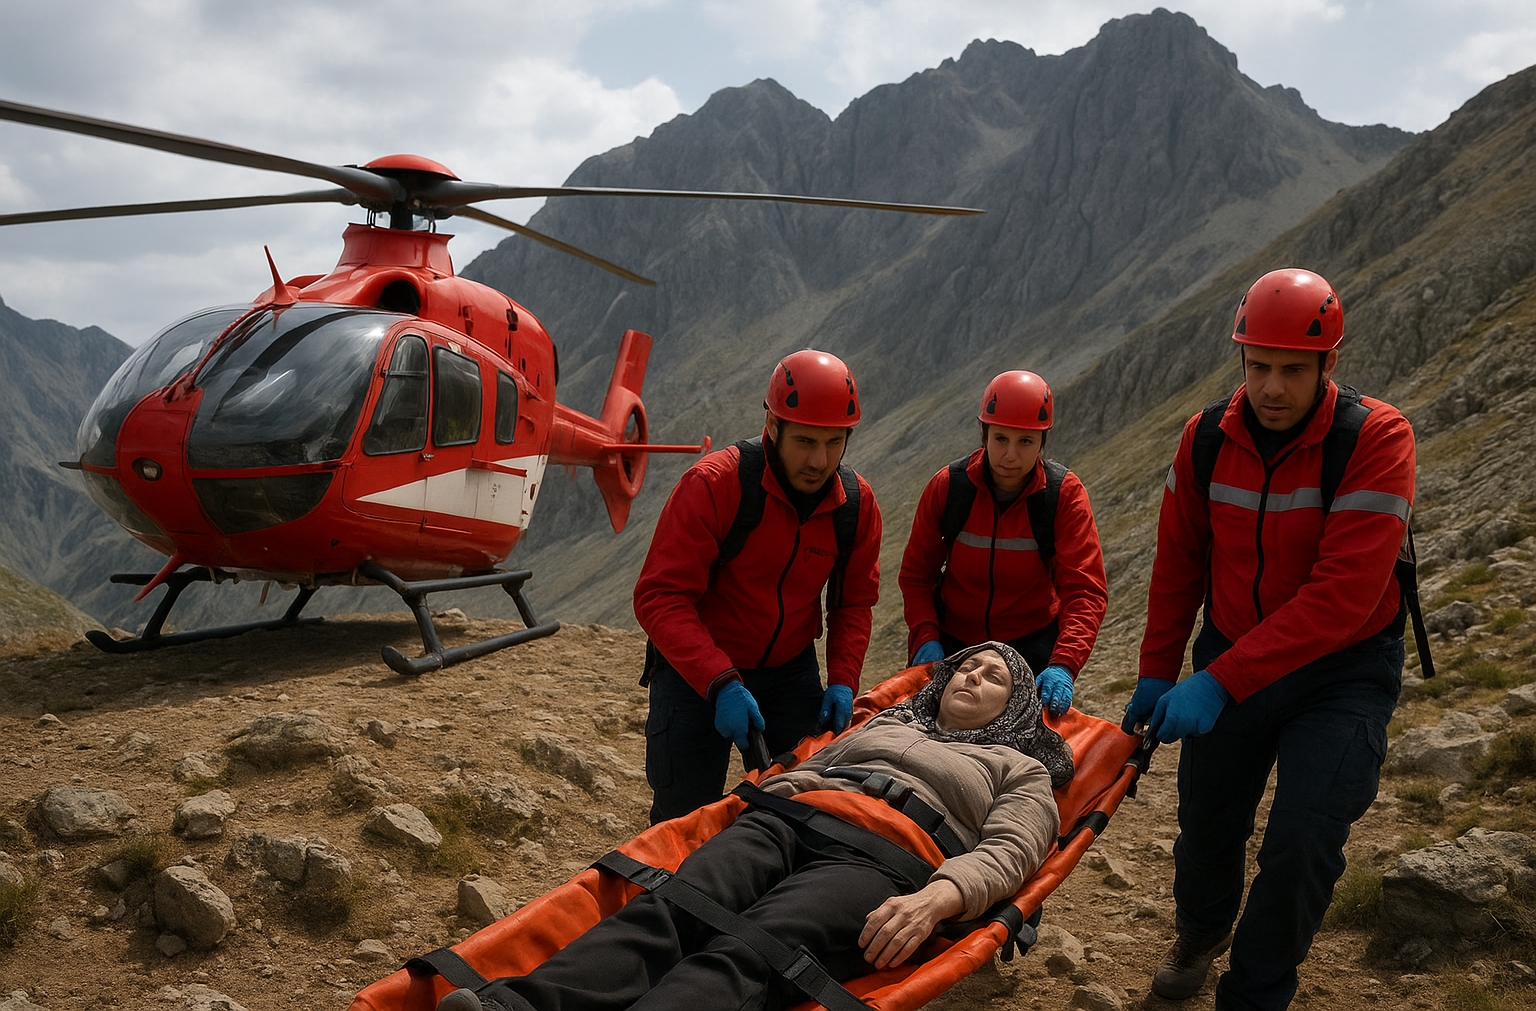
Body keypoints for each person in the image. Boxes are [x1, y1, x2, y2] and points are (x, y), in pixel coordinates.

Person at [437, 642, 1071, 1011]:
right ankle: (515, 1007)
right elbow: (810, 768)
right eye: (967, 666)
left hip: (883, 858)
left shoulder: (1018, 768)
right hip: (788, 819)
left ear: (1014, 707)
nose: (972, 676)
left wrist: (937, 899)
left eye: (994, 677)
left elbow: (1011, 852)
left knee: (753, 948)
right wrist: (759, 806)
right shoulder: (889, 723)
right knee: (671, 909)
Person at [1123, 268, 1415, 1010]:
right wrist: (1158, 669)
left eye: (1293, 370)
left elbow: (1343, 598)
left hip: (1342, 670)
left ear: (1330, 365)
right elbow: (1179, 565)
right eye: (1259, 368)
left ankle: (1255, 993)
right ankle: (1202, 929)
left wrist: (1218, 682)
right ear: (1241, 361)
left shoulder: (1377, 438)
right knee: (1208, 821)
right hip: (1231, 646)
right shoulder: (1205, 440)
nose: (1274, 388)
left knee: (1304, 839)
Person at [632, 350, 883, 824]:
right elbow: (659, 596)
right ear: (773, 426)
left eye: (834, 442)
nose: (819, 459)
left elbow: (853, 604)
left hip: (789, 671)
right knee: (682, 817)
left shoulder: (855, 506)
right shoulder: (714, 484)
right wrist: (720, 680)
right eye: (805, 440)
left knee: (797, 810)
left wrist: (845, 680)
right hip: (695, 675)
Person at [899, 369, 1107, 716]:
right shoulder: (949, 488)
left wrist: (1064, 664)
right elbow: (917, 575)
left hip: (1032, 648)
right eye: (1000, 439)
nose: (1011, 455)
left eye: (1025, 441)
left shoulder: (1064, 496)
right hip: (952, 643)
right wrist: (926, 636)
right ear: (985, 435)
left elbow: (1085, 591)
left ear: (1042, 441)